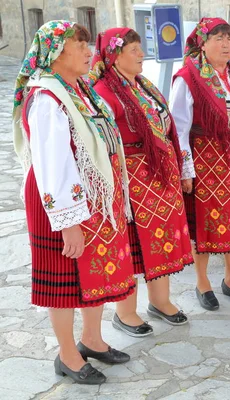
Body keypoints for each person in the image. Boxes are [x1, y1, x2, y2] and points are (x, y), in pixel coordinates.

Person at [13, 21, 135, 384]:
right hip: (59, 202)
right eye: (78, 44)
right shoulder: (48, 98)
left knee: (94, 274)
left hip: (92, 201)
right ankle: (67, 356)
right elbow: (53, 162)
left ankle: (92, 339)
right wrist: (68, 221)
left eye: (87, 44)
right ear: (54, 52)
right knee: (63, 282)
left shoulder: (79, 89)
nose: (88, 51)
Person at [90, 28, 193, 336]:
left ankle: (160, 301)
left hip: (158, 173)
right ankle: (125, 312)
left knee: (162, 237)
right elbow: (103, 140)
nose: (141, 55)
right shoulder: (103, 91)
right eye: (133, 49)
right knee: (133, 243)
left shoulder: (143, 85)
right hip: (130, 177)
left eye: (140, 48)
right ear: (114, 55)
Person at [171, 18, 230, 310]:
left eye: (229, 38)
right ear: (203, 43)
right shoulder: (188, 77)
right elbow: (179, 128)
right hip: (206, 160)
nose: (225, 44)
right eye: (218, 38)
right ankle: (202, 282)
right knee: (206, 223)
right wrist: (185, 169)